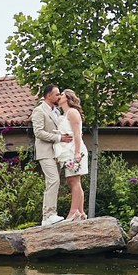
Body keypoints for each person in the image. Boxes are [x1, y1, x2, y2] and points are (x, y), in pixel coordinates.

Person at [31, 88, 67, 224]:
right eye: (57, 94)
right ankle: (48, 215)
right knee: (53, 180)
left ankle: (49, 215)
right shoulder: (39, 111)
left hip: (56, 152)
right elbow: (38, 132)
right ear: (48, 95)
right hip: (45, 152)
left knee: (53, 181)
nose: (59, 96)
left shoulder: (57, 112)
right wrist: (59, 138)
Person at [57, 90, 89, 220]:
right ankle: (81, 212)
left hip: (75, 150)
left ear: (68, 98)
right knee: (74, 181)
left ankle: (73, 211)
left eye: (62, 95)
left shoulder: (72, 112)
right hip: (67, 150)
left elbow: (77, 133)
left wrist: (77, 152)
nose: (59, 96)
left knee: (74, 180)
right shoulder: (64, 114)